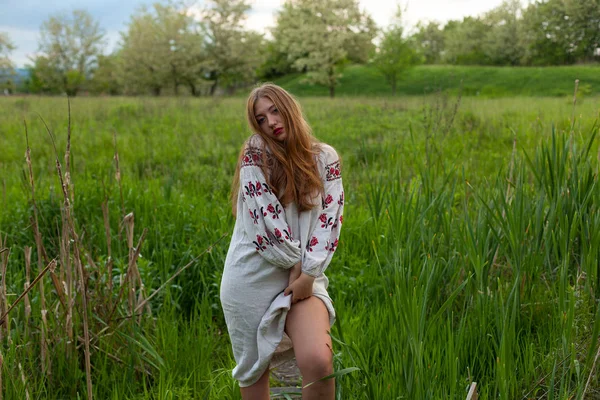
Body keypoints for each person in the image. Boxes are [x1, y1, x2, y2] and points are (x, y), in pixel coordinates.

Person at [220, 83, 344, 399]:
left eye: (274, 110)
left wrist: (308, 275)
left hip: (305, 280)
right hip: (252, 277)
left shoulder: (325, 157)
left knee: (318, 361)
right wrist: (296, 264)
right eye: (261, 118)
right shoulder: (255, 155)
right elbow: (266, 225)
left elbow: (329, 222)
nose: (271, 122)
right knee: (254, 378)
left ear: (289, 107)